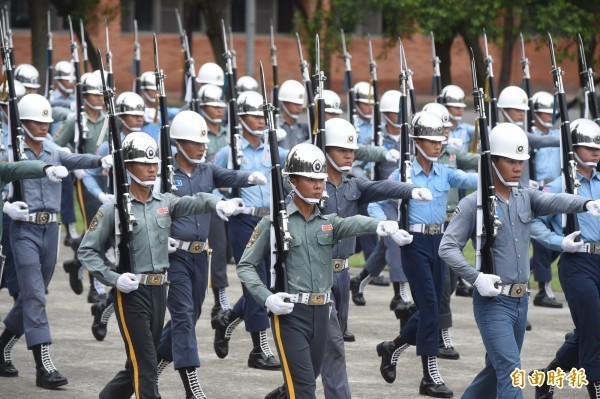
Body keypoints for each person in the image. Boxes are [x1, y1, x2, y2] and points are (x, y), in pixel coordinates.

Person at [238, 142, 414, 399]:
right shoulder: (274, 223)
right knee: (305, 389)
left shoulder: (328, 222)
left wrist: (381, 225)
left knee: (309, 376)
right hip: (290, 314)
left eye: (320, 179)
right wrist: (267, 297)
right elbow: (245, 266)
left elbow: (352, 223)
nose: (319, 184)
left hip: (322, 311)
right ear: (294, 181)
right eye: (311, 179)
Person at [438, 122, 600, 399]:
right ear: (493, 161)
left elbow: (557, 201)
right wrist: (476, 277)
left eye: (521, 161)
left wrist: (584, 204)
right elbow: (447, 247)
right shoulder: (473, 204)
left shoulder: (525, 198)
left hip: (521, 301)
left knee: (496, 371)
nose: (518, 167)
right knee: (511, 371)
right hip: (493, 302)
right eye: (511, 161)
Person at [77, 132, 244, 399]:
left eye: (154, 163)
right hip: (131, 294)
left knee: (141, 362)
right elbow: (86, 251)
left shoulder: (164, 203)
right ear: (128, 167)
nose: (152, 168)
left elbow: (197, 200)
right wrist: (112, 277)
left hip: (159, 291)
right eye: (144, 163)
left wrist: (218, 202)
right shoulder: (115, 208)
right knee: (145, 365)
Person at [0, 93, 110, 389]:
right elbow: (3, 175)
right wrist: (5, 205)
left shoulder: (52, 149)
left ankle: (1, 348)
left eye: (46, 122)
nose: (43, 126)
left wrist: (100, 159)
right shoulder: (11, 150)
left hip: (51, 232)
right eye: (37, 122)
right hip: (24, 231)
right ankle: (43, 364)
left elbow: (75, 159)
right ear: (23, 123)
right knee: (35, 295)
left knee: (31, 296)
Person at [154, 111, 267, 398]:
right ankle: (192, 385)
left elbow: (229, 175)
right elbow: (151, 210)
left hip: (199, 256)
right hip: (174, 255)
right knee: (182, 316)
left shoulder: (206, 171)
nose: (203, 146)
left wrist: (251, 178)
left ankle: (150, 366)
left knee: (189, 317)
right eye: (195, 142)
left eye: (203, 142)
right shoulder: (164, 173)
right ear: (178, 144)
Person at [375, 111, 478, 398]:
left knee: (430, 309)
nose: (438, 145)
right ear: (417, 141)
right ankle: (430, 376)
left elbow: (472, 179)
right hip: (413, 243)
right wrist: (389, 228)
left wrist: (498, 167)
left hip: (440, 243)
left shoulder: (445, 172)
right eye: (432, 141)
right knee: (432, 308)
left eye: (440, 141)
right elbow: (376, 199)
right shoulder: (403, 175)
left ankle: (393, 347)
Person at [213, 91, 287, 370]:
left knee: (269, 284)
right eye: (255, 115)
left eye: (263, 116)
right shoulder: (229, 151)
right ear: (242, 118)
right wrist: (223, 202)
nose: (260, 120)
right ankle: (260, 349)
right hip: (243, 220)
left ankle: (227, 319)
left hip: (271, 221)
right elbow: (208, 180)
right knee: (254, 280)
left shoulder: (273, 149)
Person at [530, 119, 600, 399]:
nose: (596, 152)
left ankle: (547, 377)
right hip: (578, 263)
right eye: (588, 147)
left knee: (589, 329)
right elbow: (533, 220)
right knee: (594, 325)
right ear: (572, 149)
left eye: (598, 146)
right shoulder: (560, 185)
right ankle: (595, 385)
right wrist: (558, 242)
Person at [528, 91, 563, 309]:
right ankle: (544, 290)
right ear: (535, 113)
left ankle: (530, 268)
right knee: (542, 243)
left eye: (550, 111)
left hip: (557, 190)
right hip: (538, 190)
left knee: (560, 240)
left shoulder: (557, 133)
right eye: (543, 111)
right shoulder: (530, 135)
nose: (548, 115)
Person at [440, 84, 475, 152]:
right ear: (445, 107)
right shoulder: (439, 130)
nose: (460, 110)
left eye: (462, 107)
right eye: (456, 107)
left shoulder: (466, 129)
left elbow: (485, 131)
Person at [277, 79, 310, 150]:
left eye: (300, 104)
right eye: (295, 104)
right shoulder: (275, 127)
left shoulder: (304, 129)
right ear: (284, 103)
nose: (299, 108)